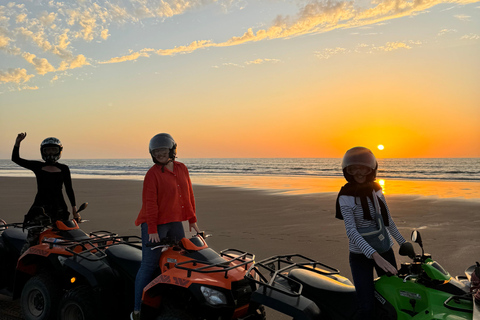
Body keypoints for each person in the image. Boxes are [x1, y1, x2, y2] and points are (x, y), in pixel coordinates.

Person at [132, 133, 200, 320]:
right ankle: (137, 309)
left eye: (163, 150)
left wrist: (192, 219)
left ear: (172, 150)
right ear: (152, 154)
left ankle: (172, 297)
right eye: (156, 151)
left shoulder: (182, 168)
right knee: (148, 264)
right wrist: (152, 229)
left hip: (174, 221)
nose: (160, 154)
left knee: (180, 259)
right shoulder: (152, 174)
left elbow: (188, 196)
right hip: (154, 223)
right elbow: (150, 204)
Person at [335, 146, 406, 319]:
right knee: (366, 306)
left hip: (384, 249)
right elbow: (351, 231)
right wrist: (374, 255)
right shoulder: (345, 197)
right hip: (360, 256)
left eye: (363, 168)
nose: (358, 172)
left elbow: (387, 221)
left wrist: (404, 243)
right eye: (353, 168)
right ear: (347, 171)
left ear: (371, 169)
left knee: (393, 298)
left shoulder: (377, 190)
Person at [12, 133, 79, 252]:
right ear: (43, 152)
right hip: (40, 208)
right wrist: (18, 143)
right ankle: (21, 265)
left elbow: (69, 189)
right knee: (32, 239)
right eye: (47, 150)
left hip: (60, 209)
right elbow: (15, 159)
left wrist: (75, 210)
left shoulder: (64, 168)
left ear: (59, 151)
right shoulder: (38, 166)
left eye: (54, 150)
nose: (51, 153)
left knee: (62, 238)